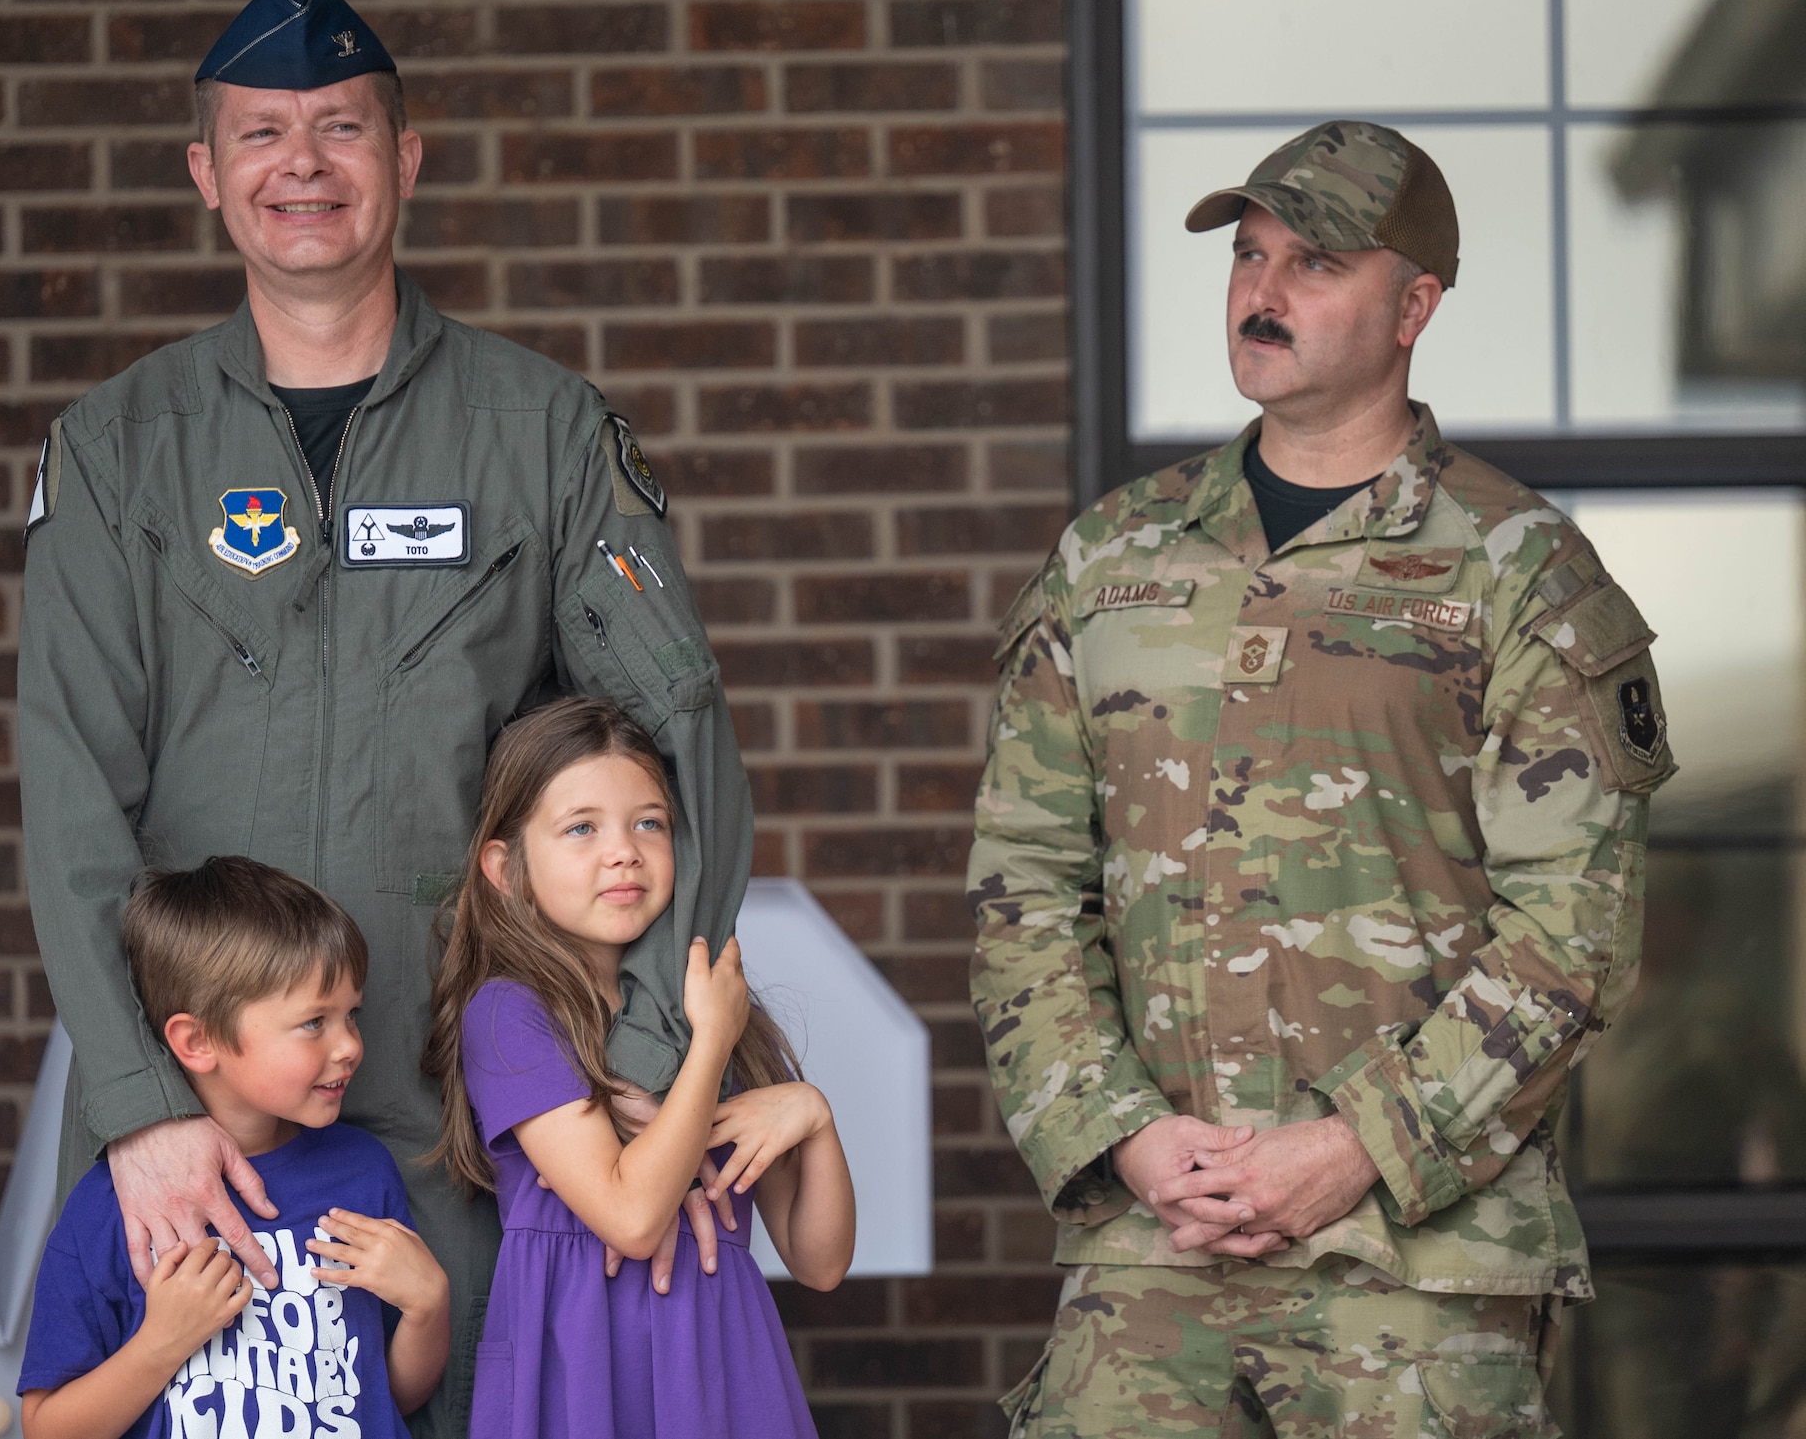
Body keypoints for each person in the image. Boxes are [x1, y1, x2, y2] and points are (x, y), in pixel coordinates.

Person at [16, 0, 751, 1438]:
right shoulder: (116, 451)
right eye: (262, 135)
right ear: (207, 177)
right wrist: (142, 1112)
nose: (304, 165)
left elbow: (678, 742)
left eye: (342, 128)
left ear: (404, 159)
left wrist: (649, 1078)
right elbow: (69, 791)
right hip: (203, 1135)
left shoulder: (539, 433)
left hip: (475, 1124)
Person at [969, 120, 1676, 1436]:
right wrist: (1122, 1132)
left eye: (1315, 263)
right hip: (1149, 1263)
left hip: (1420, 1267)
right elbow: (1025, 889)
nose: (1263, 290)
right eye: (1248, 253)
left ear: (1416, 304)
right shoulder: (1111, 559)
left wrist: (1354, 1146)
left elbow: (1573, 939)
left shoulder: (1521, 571)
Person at [422, 698, 855, 1438]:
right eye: (581, 827)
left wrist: (813, 1115)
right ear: (507, 868)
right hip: (581, 1367)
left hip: (722, 1360)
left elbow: (819, 1261)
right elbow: (630, 1215)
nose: (622, 850)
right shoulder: (509, 1014)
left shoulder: (710, 1011)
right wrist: (711, 1042)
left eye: (648, 822)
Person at [18, 857, 449, 1439]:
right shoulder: (111, 1207)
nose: (349, 1045)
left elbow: (385, 1395)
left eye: (352, 1015)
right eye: (314, 1022)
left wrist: (428, 1308)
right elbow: (47, 1428)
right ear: (198, 1041)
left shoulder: (362, 1173)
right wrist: (159, 1346)